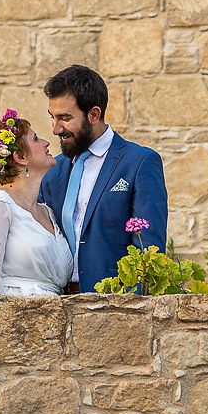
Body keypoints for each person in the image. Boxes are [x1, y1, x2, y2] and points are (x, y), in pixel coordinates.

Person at [40, 65, 168, 292]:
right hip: (54, 302)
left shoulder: (140, 162)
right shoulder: (51, 169)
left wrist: (132, 307)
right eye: (53, 117)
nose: (56, 129)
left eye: (65, 118)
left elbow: (149, 250)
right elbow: (26, 225)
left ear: (94, 115)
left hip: (114, 306)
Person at [0, 110, 73, 295]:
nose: (46, 142)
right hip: (16, 317)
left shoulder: (48, 212)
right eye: (36, 139)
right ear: (20, 157)